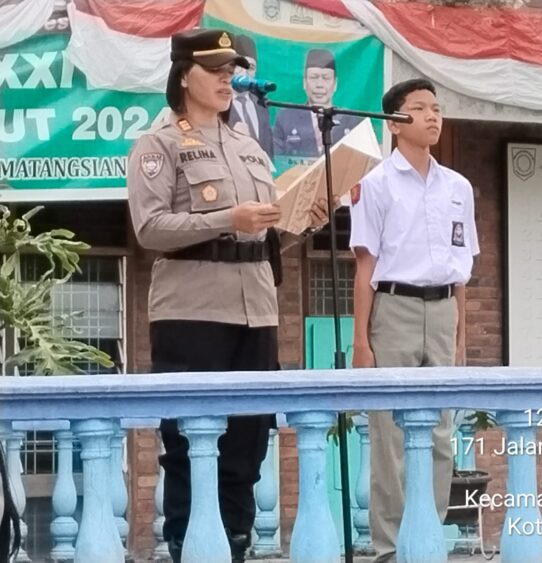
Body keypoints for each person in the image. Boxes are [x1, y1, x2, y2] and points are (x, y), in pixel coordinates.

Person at [127, 28, 330, 563]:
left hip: (256, 310)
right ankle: (185, 549)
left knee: (247, 444)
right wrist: (226, 218)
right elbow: (149, 229)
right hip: (192, 310)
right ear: (183, 75)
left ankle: (236, 548)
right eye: (215, 70)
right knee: (191, 445)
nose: (226, 79)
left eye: (230, 70)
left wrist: (305, 217)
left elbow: (262, 234)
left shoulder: (250, 149)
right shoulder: (160, 143)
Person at [349, 78, 479, 562]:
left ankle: (426, 541)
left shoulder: (458, 187)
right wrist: (361, 341)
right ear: (396, 122)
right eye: (419, 108)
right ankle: (388, 550)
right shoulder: (376, 185)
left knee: (442, 434)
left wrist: (461, 335)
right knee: (390, 439)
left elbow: (462, 268)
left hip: (444, 309)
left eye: (436, 108)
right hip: (395, 308)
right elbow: (365, 268)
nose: (432, 116)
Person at [272, 48, 361, 160]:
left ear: (335, 84)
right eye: (314, 78)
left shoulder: (351, 121)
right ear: (304, 82)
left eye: (326, 78)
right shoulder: (285, 119)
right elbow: (277, 161)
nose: (319, 85)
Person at [228, 34, 274, 159]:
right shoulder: (219, 104)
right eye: (239, 66)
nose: (244, 73)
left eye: (251, 68)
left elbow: (268, 149)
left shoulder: (261, 105)